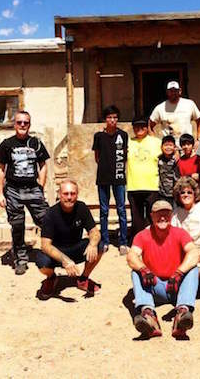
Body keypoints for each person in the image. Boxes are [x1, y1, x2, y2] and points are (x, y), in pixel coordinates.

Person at [126, 200, 199, 339]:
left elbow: (194, 252)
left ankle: (182, 313)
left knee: (193, 269)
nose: (163, 217)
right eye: (158, 214)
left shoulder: (180, 233)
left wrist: (179, 272)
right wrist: (144, 270)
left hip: (177, 286)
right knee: (135, 271)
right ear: (152, 216)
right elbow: (131, 256)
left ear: (171, 216)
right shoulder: (142, 235)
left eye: (166, 213)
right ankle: (149, 314)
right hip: (154, 285)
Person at [0, 111, 49, 275]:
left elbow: (43, 165)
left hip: (33, 189)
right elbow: (0, 170)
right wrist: (0, 194)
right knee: (17, 226)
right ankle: (20, 259)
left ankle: (51, 253)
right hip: (13, 190)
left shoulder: (36, 143)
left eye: (26, 122)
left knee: (46, 221)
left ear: (29, 124)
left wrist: (41, 186)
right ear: (14, 124)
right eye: (19, 122)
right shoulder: (7, 144)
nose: (23, 125)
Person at [36, 179, 103, 299]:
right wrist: (65, 260)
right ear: (59, 195)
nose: (69, 197)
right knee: (41, 262)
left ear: (77, 194)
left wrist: (92, 244)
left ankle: (83, 279)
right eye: (66, 194)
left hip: (75, 247)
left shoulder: (81, 208)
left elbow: (94, 232)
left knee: (100, 245)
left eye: (73, 193)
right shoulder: (51, 214)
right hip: (56, 252)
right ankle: (51, 278)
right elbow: (45, 245)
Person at [92, 105, 128, 255]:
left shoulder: (123, 135)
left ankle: (123, 242)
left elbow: (125, 154)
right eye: (109, 118)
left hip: (119, 177)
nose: (112, 120)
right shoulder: (99, 136)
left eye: (115, 117)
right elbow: (97, 157)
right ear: (105, 120)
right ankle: (105, 241)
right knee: (104, 211)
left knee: (121, 210)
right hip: (103, 178)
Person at [126, 115, 162, 248]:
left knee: (153, 217)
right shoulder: (128, 142)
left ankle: (155, 242)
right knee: (137, 219)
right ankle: (139, 244)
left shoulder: (156, 142)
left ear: (147, 128)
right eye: (136, 126)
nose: (139, 129)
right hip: (133, 185)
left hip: (152, 185)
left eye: (142, 126)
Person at [149, 81, 200, 149]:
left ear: (180, 91)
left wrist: (199, 139)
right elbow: (150, 125)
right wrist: (155, 143)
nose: (173, 93)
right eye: (170, 91)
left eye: (175, 90)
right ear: (167, 92)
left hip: (186, 146)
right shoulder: (160, 108)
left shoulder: (189, 104)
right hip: (169, 148)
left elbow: (199, 120)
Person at [158, 135, 180, 207]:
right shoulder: (159, 159)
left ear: (174, 147)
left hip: (175, 194)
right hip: (162, 193)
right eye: (166, 145)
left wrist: (177, 152)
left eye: (170, 145)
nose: (168, 147)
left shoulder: (177, 159)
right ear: (161, 147)